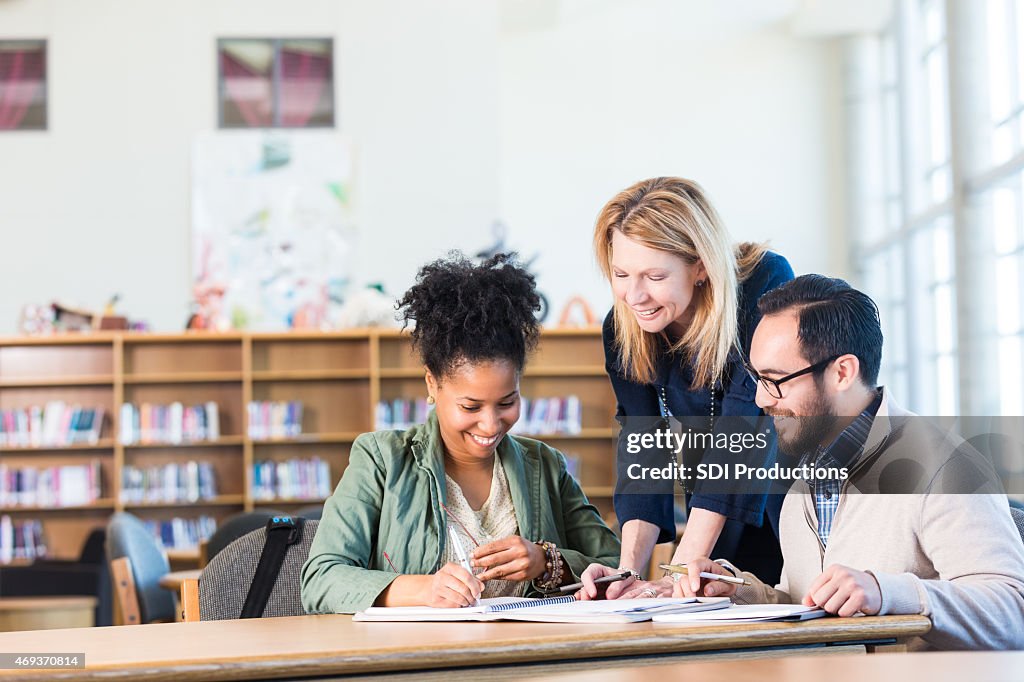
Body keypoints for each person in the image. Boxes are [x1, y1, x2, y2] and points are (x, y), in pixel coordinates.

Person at [679, 274, 1024, 650]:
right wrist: (742, 593)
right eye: (756, 379)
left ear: (842, 372)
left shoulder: (946, 465)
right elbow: (810, 606)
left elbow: (1011, 611)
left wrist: (885, 591)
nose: (761, 399)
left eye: (775, 380)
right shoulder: (802, 479)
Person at [301, 253, 620, 614]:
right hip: (422, 662)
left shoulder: (545, 465)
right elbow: (321, 579)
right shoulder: (381, 460)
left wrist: (547, 563)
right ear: (432, 384)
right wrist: (421, 590)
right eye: (470, 407)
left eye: (507, 402)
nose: (490, 424)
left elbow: (617, 567)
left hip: (529, 659)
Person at [581, 177, 793, 600]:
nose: (633, 295)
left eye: (654, 275)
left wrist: (680, 570)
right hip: (712, 516)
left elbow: (743, 426)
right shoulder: (622, 328)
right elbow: (643, 445)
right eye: (621, 274)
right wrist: (628, 572)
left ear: (700, 266)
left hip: (784, 508)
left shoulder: (764, 283)